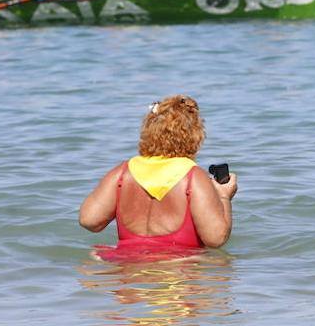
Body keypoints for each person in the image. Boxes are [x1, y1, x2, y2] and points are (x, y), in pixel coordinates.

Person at [79, 95, 235, 256]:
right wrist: (224, 196)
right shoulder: (193, 177)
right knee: (220, 270)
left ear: (149, 130)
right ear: (195, 135)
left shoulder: (123, 173)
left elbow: (89, 221)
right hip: (176, 269)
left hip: (129, 269)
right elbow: (216, 239)